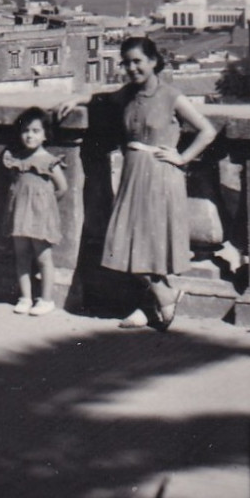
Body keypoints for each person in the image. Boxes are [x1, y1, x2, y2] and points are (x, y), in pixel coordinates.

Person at [57, 36, 217, 330]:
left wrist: (182, 157)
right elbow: (101, 99)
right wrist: (77, 99)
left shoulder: (171, 96)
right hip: (133, 174)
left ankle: (158, 300)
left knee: (147, 243)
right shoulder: (126, 95)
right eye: (126, 62)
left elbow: (207, 131)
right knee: (127, 241)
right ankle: (160, 297)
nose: (132, 68)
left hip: (160, 176)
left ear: (153, 61)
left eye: (137, 61)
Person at [0, 107, 68, 317]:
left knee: (43, 257)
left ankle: (46, 300)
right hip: (19, 215)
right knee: (21, 255)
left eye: (36, 131)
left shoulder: (49, 160)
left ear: (45, 134)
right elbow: (17, 186)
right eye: (26, 130)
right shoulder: (16, 159)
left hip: (40, 216)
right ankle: (25, 297)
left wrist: (44, 205)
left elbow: (62, 187)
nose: (30, 135)